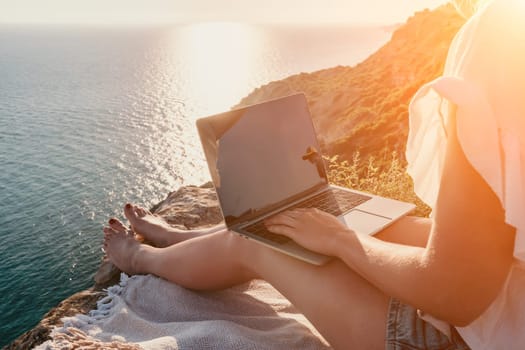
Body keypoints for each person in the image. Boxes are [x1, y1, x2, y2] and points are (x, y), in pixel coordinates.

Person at [103, 0, 525, 348]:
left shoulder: (503, 34)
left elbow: (453, 292)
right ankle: (182, 239)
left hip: (463, 338)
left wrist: (341, 242)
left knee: (258, 240)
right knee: (327, 210)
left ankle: (142, 257)